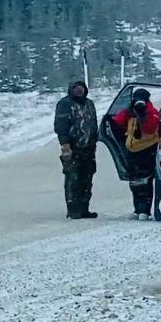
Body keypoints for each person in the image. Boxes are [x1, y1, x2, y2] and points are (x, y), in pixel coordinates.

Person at [113, 88, 161, 221]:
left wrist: (143, 115)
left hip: (148, 149)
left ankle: (145, 210)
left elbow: (150, 128)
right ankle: (137, 209)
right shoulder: (130, 112)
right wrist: (128, 110)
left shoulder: (153, 113)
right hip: (133, 150)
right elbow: (117, 121)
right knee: (134, 181)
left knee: (145, 181)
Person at [54, 80, 98, 220]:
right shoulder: (65, 104)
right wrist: (65, 144)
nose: (79, 91)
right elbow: (60, 126)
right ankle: (73, 209)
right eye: (76, 88)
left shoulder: (89, 104)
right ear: (71, 90)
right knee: (73, 179)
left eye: (82, 89)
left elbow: (94, 123)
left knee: (87, 179)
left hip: (89, 148)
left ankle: (84, 208)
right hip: (73, 148)